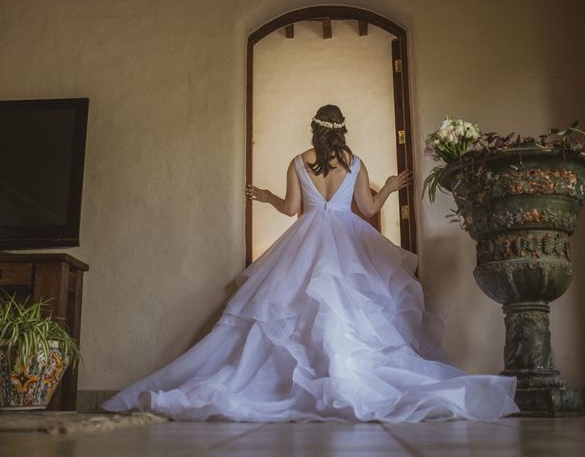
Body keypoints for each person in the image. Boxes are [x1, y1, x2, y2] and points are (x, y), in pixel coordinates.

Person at [102, 104, 520, 422]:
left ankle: (293, 381)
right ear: (341, 131)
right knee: (351, 310)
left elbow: (290, 209)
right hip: (347, 240)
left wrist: (266, 196)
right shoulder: (354, 163)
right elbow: (369, 209)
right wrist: (390, 187)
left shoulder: (298, 161)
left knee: (292, 311)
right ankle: (338, 379)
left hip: (306, 240)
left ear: (314, 130)